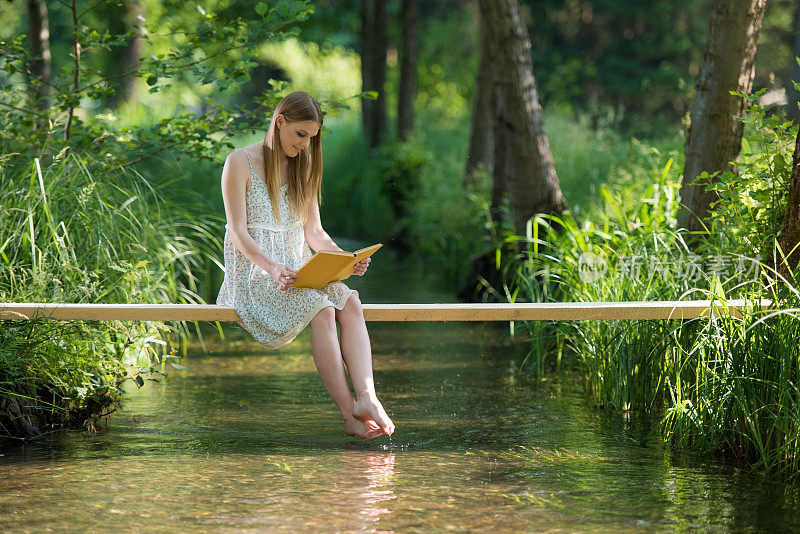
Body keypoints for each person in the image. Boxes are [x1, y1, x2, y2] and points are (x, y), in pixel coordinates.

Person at [216, 91, 394, 439]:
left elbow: (314, 232)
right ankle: (348, 414)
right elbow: (237, 232)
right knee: (322, 309)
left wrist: (345, 260)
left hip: (298, 270)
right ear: (280, 122)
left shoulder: (304, 164)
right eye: (300, 135)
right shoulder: (239, 162)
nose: (304, 145)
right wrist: (272, 268)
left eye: (311, 138)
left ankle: (368, 397)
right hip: (257, 275)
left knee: (350, 301)